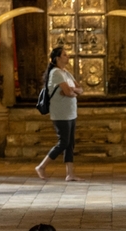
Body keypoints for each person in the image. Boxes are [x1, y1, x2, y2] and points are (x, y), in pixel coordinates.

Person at [34, 47, 84, 182]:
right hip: (61, 113)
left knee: (70, 143)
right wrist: (72, 92)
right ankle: (41, 166)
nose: (68, 56)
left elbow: (80, 89)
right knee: (63, 142)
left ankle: (70, 173)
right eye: (65, 55)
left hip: (71, 112)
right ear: (57, 58)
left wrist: (72, 91)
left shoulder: (66, 73)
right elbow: (69, 93)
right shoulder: (56, 73)